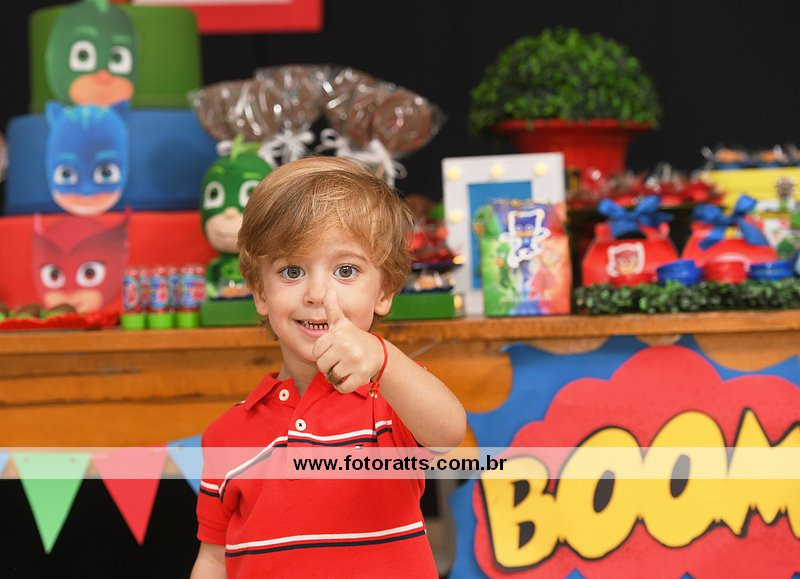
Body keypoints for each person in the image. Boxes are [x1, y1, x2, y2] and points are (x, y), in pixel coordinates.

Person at [191, 156, 466, 578]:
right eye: (292, 271)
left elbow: (448, 433)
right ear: (260, 292)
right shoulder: (226, 436)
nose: (317, 293)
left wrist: (384, 360)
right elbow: (213, 559)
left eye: (345, 270)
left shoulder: (391, 402)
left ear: (384, 291)